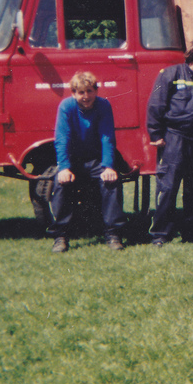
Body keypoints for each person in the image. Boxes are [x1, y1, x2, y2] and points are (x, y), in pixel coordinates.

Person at [146, 40, 193, 246]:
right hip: (174, 139)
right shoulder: (171, 74)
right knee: (168, 188)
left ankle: (192, 234)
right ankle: (160, 234)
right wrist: (155, 134)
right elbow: (156, 104)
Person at [47, 71, 127, 253]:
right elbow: (62, 138)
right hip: (74, 159)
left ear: (96, 91)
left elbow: (107, 137)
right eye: (81, 92)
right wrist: (64, 168)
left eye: (90, 91)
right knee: (61, 184)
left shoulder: (103, 105)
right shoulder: (66, 106)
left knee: (111, 181)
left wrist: (108, 166)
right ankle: (61, 236)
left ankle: (113, 233)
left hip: (96, 159)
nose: (86, 96)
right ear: (73, 93)